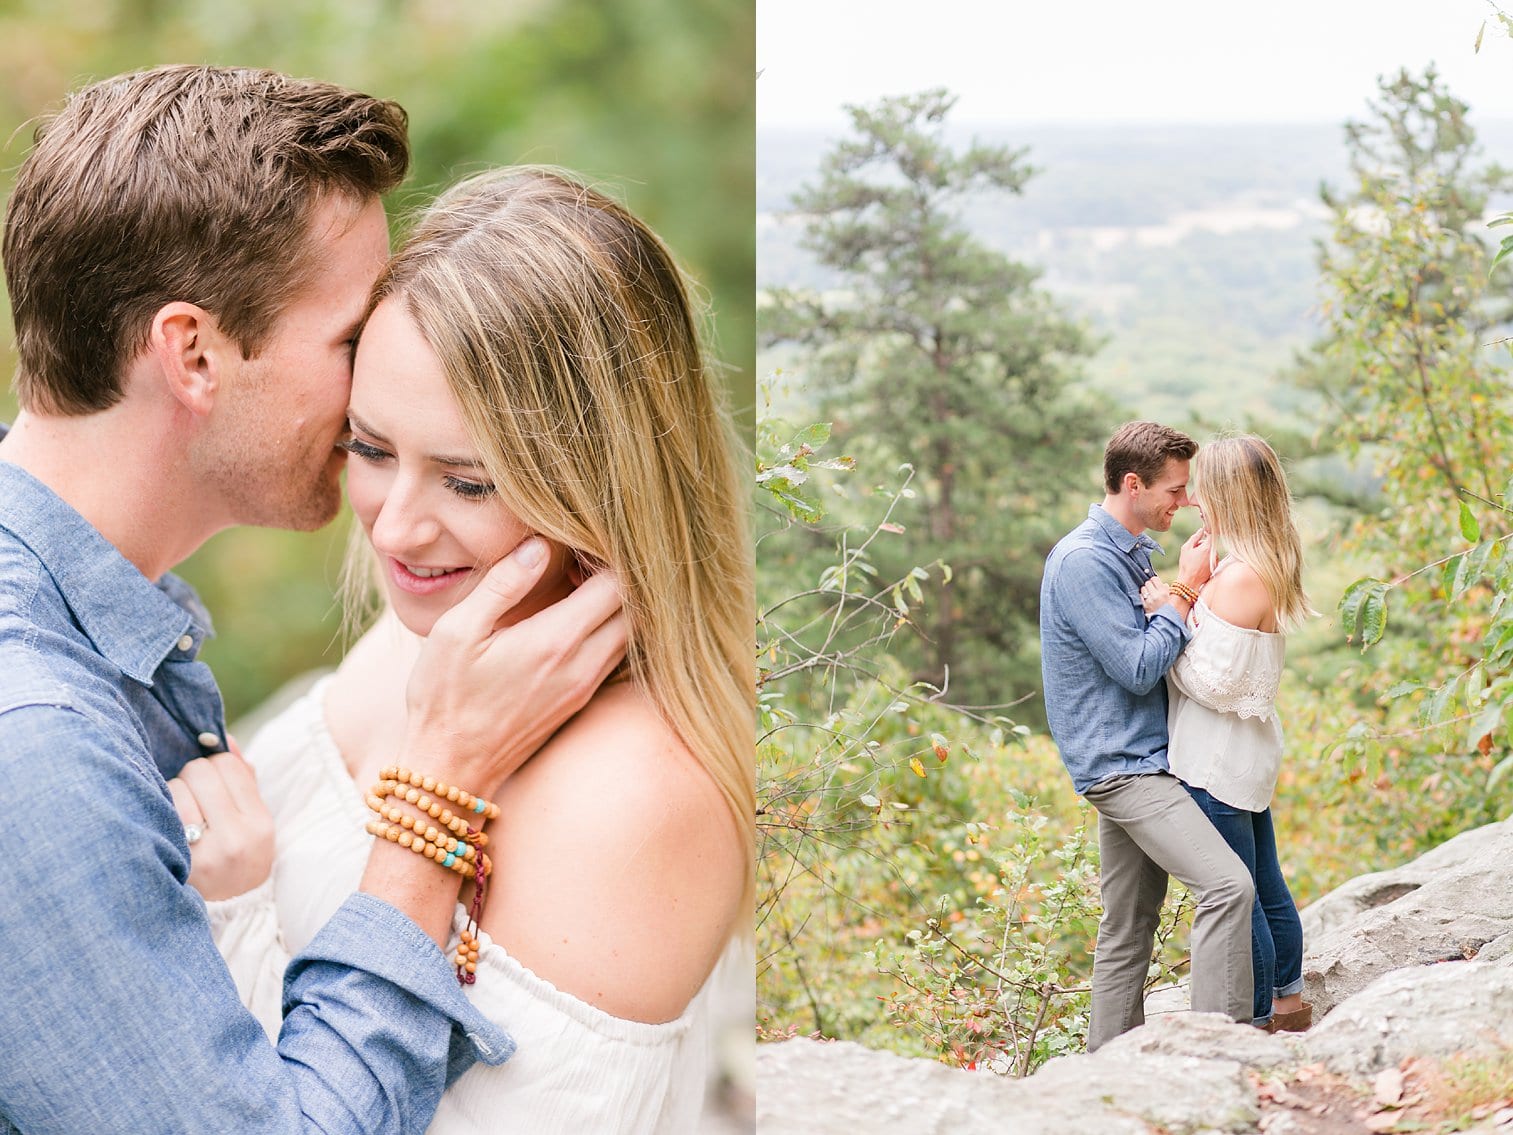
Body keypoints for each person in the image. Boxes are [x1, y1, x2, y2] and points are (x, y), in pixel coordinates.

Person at [0, 67, 625, 1134]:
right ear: (194, 353)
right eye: (349, 336)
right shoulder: (39, 746)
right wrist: (434, 798)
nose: (379, 376)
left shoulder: (92, 624)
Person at [182, 167, 753, 1133]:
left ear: (603, 480)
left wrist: (229, 918)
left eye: (470, 482)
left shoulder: (634, 799)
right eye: (369, 448)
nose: (395, 529)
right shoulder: (445, 638)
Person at [1039, 420, 1255, 1052]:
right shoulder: (1084, 561)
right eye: (1174, 490)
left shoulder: (1130, 550)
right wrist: (1184, 594)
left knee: (1127, 929)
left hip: (1146, 757)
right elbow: (1136, 669)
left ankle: (1109, 1072)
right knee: (1227, 886)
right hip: (1125, 767)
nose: (1184, 503)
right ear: (1133, 486)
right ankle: (1218, 1051)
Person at [1140, 434, 1315, 1033]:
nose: (1191, 501)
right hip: (1239, 755)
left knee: (1241, 905)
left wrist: (1177, 599)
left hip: (1216, 764)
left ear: (1229, 495)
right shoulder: (1249, 562)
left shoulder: (1242, 577)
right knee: (1265, 884)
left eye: (1201, 490)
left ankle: (1261, 1020)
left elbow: (1211, 684)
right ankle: (1290, 1009)